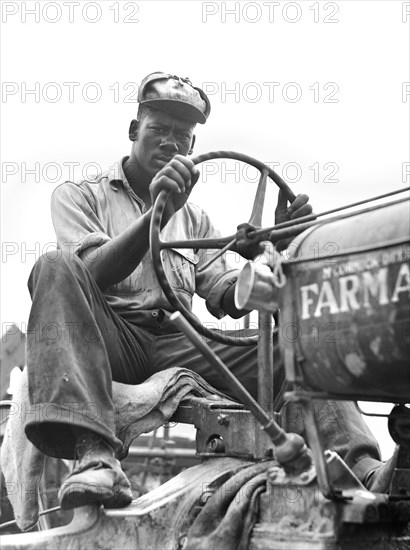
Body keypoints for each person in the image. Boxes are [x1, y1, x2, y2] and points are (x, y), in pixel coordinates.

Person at [25, 72, 392, 510]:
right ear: (132, 132)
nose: (170, 143)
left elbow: (230, 295)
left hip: (177, 340)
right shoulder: (80, 196)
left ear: (194, 148)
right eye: (158, 130)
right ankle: (95, 457)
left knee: (297, 345)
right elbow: (89, 273)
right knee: (52, 265)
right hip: (109, 341)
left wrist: (277, 247)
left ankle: (361, 470)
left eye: (182, 135)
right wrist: (156, 220)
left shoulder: (197, 221)